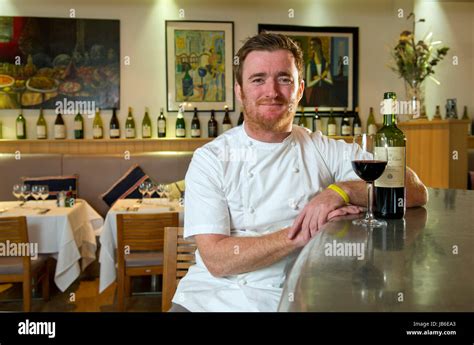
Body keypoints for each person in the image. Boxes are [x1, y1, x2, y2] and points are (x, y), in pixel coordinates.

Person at [169, 33, 428, 312]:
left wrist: (342, 191)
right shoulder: (210, 159)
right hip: (210, 299)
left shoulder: (323, 149)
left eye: (284, 79)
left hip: (294, 294)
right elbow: (218, 260)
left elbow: (415, 190)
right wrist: (304, 232)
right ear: (239, 90)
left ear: (300, 89)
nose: (272, 91)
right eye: (258, 80)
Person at [305, 37, 333, 106]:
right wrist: (321, 77)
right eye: (311, 45)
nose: (312, 47)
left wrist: (320, 77)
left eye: (314, 45)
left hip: (325, 92)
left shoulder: (325, 63)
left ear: (319, 46)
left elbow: (331, 82)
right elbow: (308, 84)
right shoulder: (310, 64)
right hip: (314, 94)